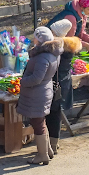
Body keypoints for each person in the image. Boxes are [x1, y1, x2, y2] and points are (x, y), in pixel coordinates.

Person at [19, 27, 62, 166]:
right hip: (43, 90)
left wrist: (22, 81)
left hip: (37, 93)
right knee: (41, 122)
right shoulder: (53, 53)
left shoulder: (43, 57)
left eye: (35, 37)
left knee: (38, 123)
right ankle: (47, 150)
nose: (33, 40)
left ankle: (42, 155)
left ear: (40, 39)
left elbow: (37, 78)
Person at [44, 19, 81, 158]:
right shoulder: (69, 46)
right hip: (63, 83)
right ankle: (54, 142)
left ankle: (51, 145)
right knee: (56, 114)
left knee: (52, 114)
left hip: (55, 85)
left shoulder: (57, 49)